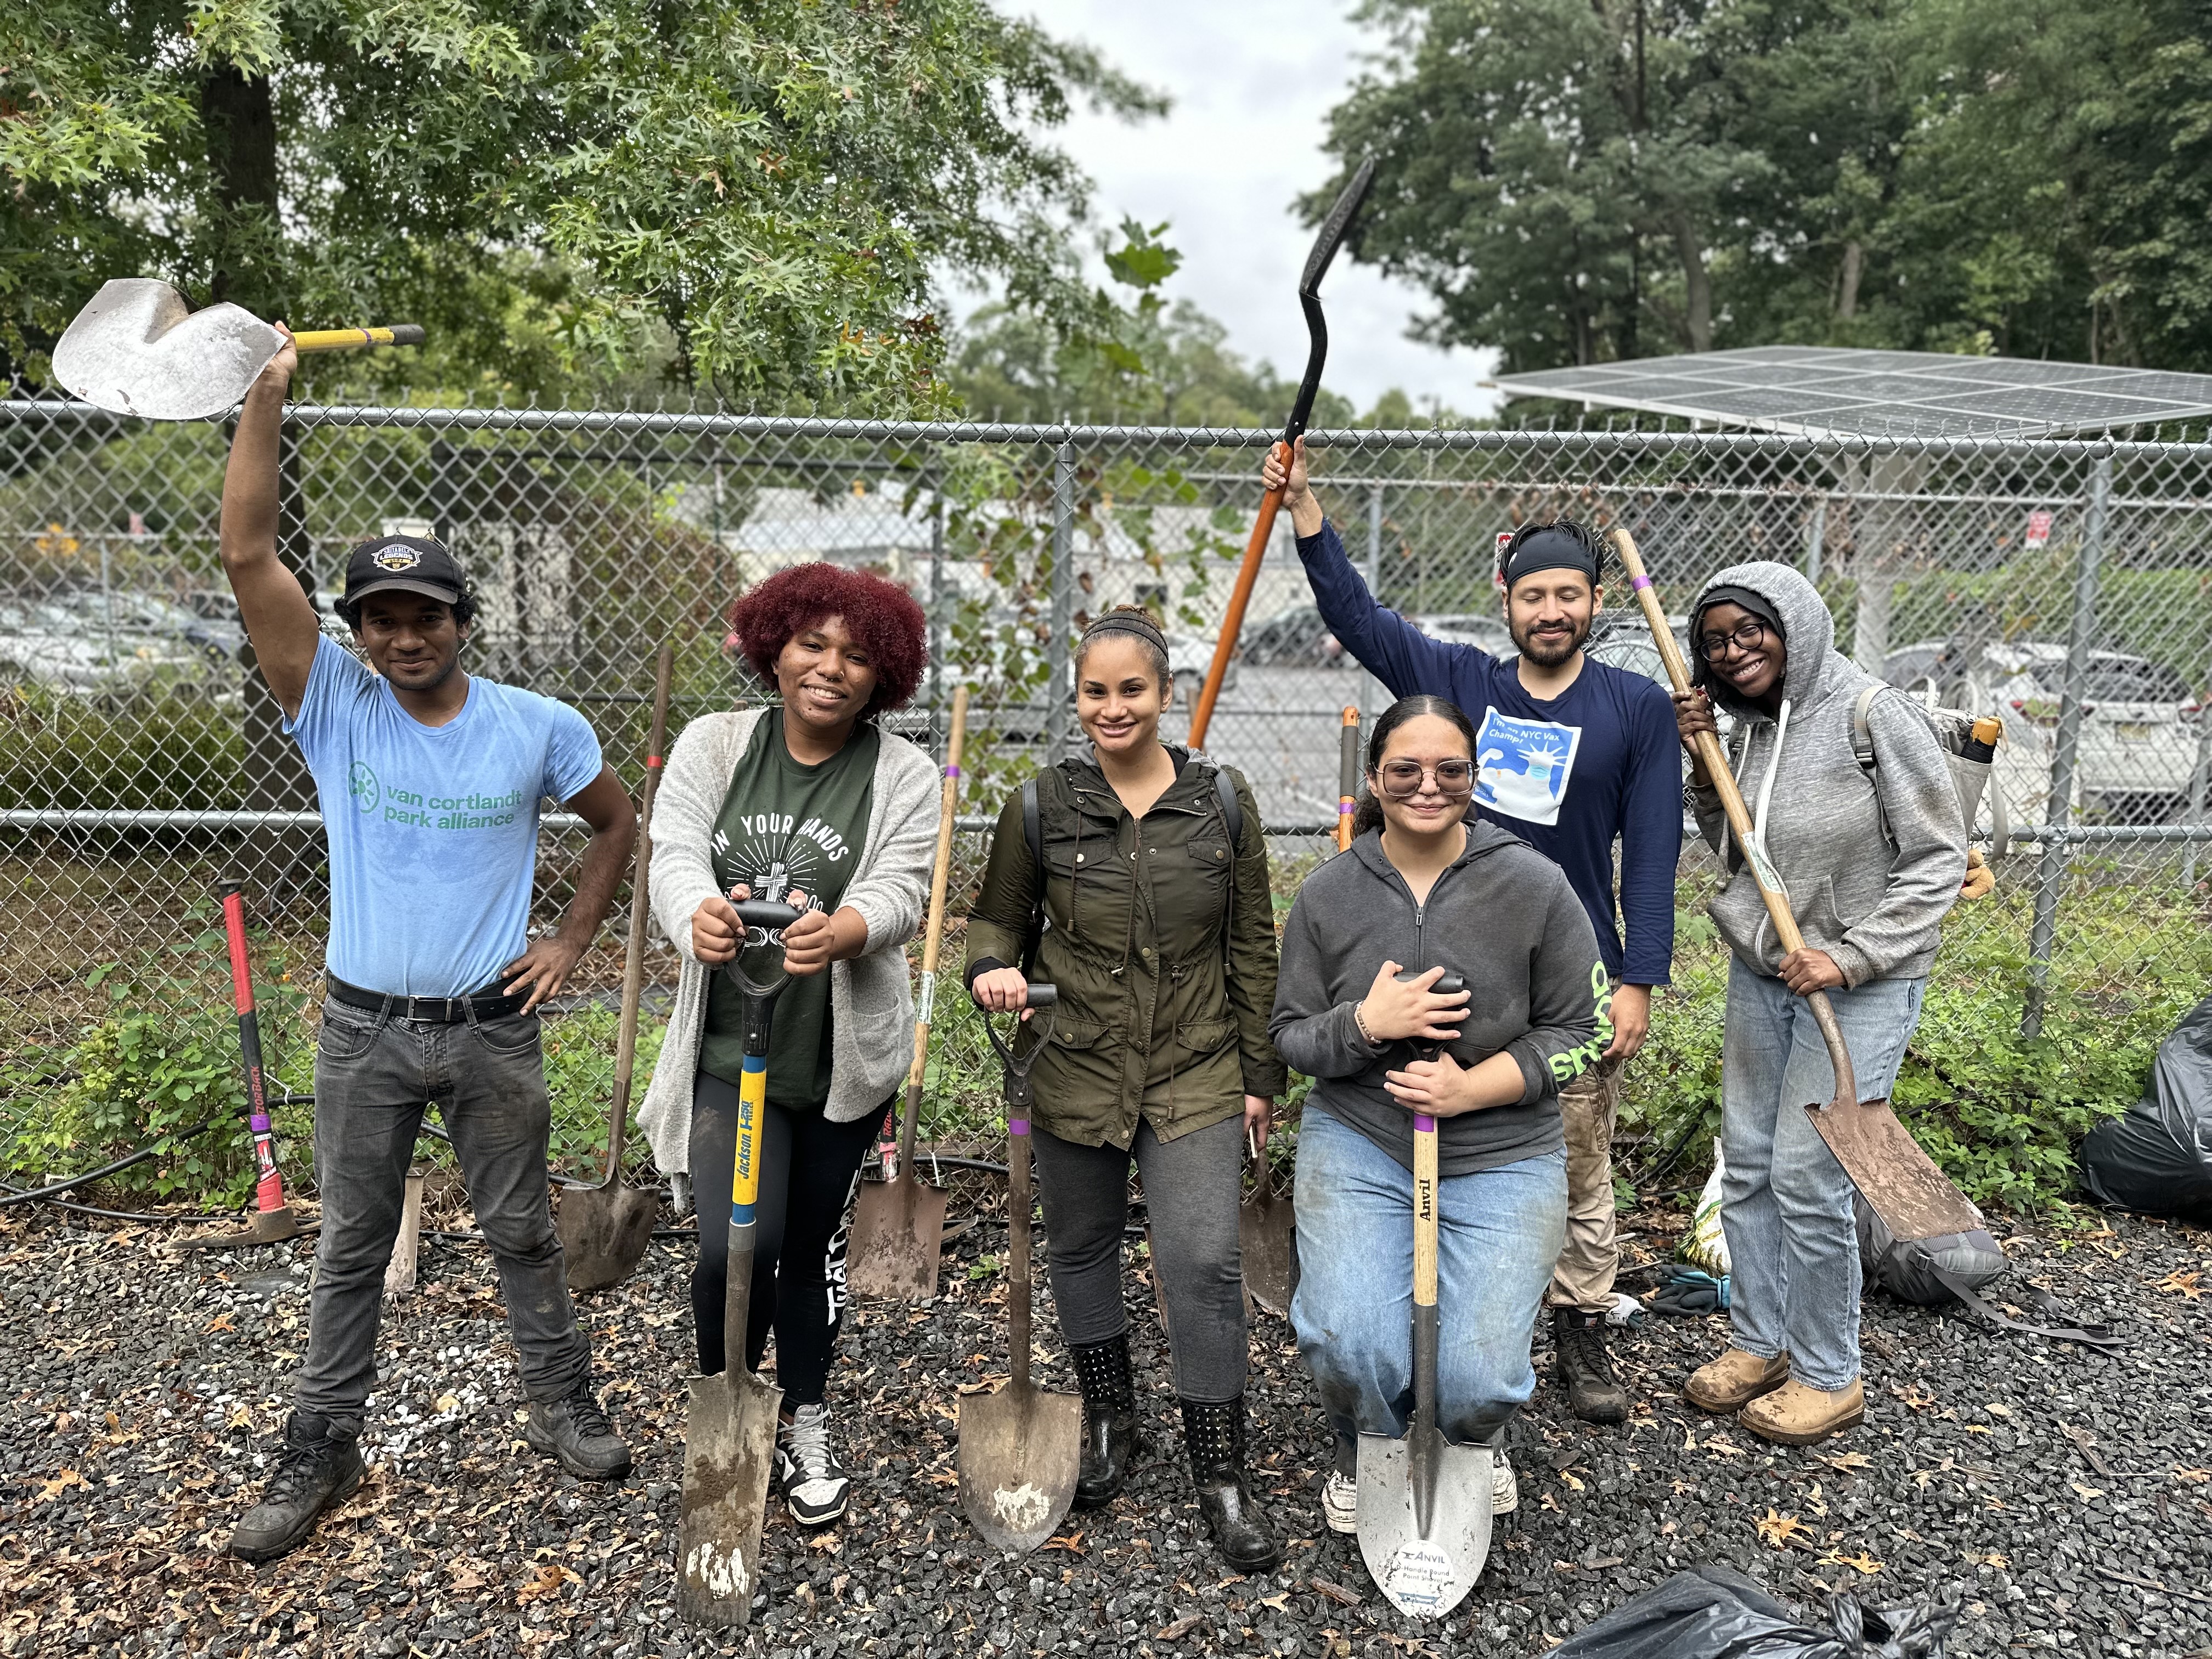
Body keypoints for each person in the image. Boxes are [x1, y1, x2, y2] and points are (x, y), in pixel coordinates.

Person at [217, 329, 640, 1563]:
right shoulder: (335, 707)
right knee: (352, 1241)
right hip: (363, 1030)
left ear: (463, 618)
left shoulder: (536, 726)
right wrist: (266, 398)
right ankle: (322, 1442)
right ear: (354, 631)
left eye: (427, 616)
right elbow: (247, 551)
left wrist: (570, 938)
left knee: (519, 1231)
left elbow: (616, 821)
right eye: (382, 619)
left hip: (490, 1029)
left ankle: (561, 1402)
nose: (406, 638)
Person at [1263, 439, 1679, 1429]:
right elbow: (1356, 618)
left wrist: (1638, 978)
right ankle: (1416, 1338)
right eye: (1534, 593)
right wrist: (1308, 510)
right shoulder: (1463, 685)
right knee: (1425, 1169)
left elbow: (1655, 848)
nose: (1551, 611)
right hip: (1431, 954)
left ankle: (1572, 1323)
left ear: (1594, 601)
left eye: (1569, 595)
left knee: (1575, 1161)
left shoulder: (1634, 707)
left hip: (1560, 975)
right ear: (1507, 599)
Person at [964, 606, 1286, 1571]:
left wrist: (1261, 1076)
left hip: (1197, 1065)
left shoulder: (1222, 801)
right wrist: (993, 972)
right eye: (1096, 692)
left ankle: (1220, 1471)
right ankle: (1110, 1418)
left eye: (1132, 690)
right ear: (1079, 697)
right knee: (1082, 1244)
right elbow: (994, 923)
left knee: (1201, 1263)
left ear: (1166, 694)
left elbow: (1252, 946)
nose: (1114, 708)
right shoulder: (1040, 806)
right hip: (1075, 1061)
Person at [637, 562, 939, 1526]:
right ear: (775, 647)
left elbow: (903, 887)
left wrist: (847, 929)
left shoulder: (904, 773)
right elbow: (675, 849)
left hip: (837, 1063)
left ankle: (806, 1414)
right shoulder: (716, 744)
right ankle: (726, 1406)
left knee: (806, 1249)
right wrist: (694, 911)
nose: (831, 669)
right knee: (738, 1246)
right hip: (732, 1049)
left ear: (881, 675)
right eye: (813, 644)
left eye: (857, 656)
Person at [1271, 695, 1607, 1536]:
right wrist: (1364, 1026)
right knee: (1352, 1343)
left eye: (1450, 769)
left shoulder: (1534, 884)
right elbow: (1289, 1036)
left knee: (1479, 1376)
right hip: (1364, 1141)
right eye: (1405, 770)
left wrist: (1475, 1086)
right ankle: (1373, 1441)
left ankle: (1471, 1440)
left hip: (1503, 1151)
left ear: (1475, 775)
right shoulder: (1330, 893)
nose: (1429, 786)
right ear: (1375, 781)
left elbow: (1586, 1029)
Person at [1673, 562, 1965, 1446]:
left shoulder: (1872, 714)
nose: (1734, 651)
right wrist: (1704, 763)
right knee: (1753, 1165)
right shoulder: (1748, 730)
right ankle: (1761, 1343)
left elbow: (1940, 856)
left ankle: (1831, 1373)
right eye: (1716, 641)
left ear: (1793, 625)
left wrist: (1851, 956)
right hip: (1765, 972)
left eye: (1749, 632)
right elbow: (1736, 851)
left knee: (1808, 1174)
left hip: (1862, 982)